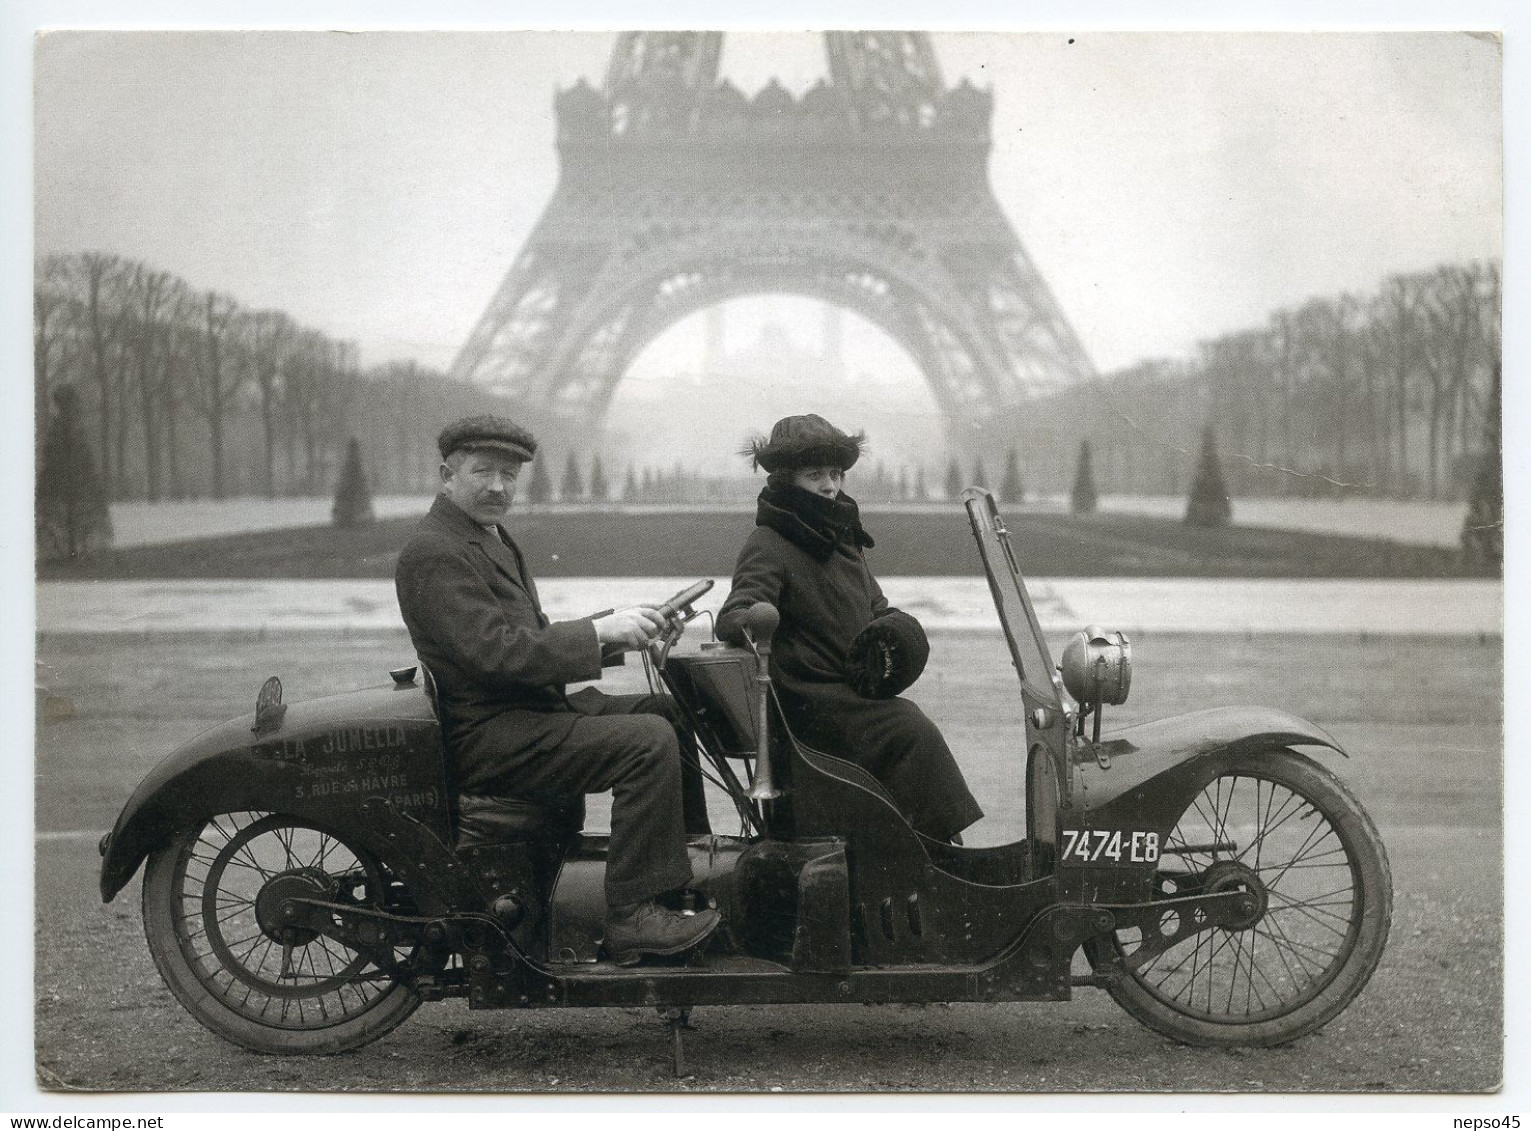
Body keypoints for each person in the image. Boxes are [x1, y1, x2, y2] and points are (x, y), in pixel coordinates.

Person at [394, 414, 719, 964]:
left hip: (519, 716)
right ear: (446, 474)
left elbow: (529, 639)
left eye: (510, 475)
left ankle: (683, 872)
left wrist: (623, 630)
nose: (500, 486)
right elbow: (496, 653)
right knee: (646, 741)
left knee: (667, 710)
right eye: (484, 472)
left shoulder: (480, 536)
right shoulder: (434, 551)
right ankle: (633, 916)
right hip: (490, 736)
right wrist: (597, 633)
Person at [716, 414, 984, 843]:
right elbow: (735, 613)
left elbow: (874, 604)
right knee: (909, 729)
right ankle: (935, 848)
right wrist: (754, 617)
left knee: (906, 725)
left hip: (848, 697)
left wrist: (896, 626)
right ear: (787, 480)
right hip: (811, 703)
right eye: (815, 474)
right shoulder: (768, 542)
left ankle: (925, 845)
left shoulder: (842, 536)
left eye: (836, 474)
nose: (830, 485)